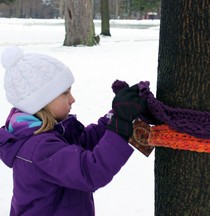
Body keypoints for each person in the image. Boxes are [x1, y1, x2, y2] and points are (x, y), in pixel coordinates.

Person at [0, 46, 148, 216]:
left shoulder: (46, 135)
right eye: (65, 93)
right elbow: (90, 171)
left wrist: (116, 115)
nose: (72, 99)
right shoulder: (39, 148)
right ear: (41, 101)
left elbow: (84, 142)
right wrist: (121, 123)